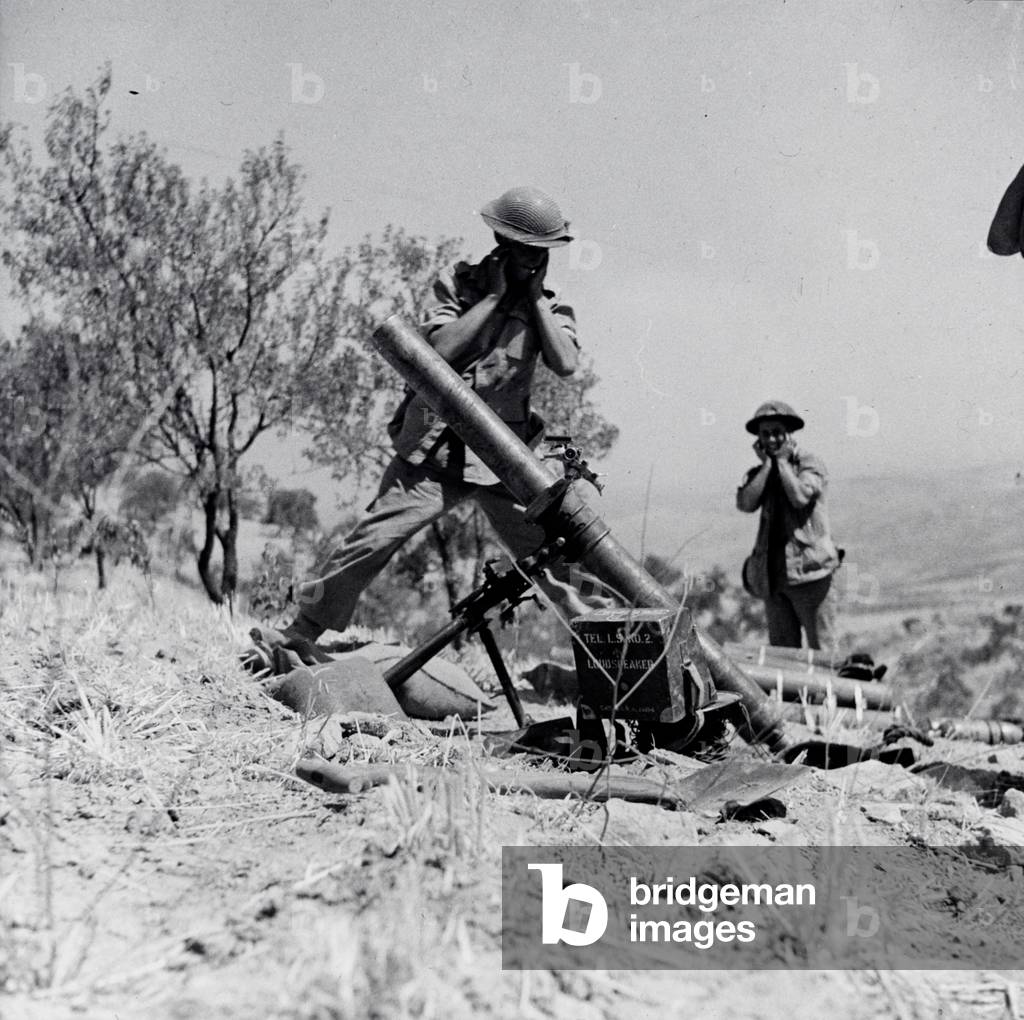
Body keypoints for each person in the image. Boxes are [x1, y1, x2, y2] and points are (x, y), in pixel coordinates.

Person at [275, 186, 602, 648]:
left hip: (507, 461)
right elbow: (438, 350)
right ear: (502, 244)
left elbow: (566, 362)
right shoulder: (458, 283)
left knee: (558, 556)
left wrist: (532, 300)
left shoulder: (549, 302)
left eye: (543, 252)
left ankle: (622, 649)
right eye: (528, 251)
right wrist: (494, 299)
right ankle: (299, 633)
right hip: (436, 449)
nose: (537, 261)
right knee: (375, 538)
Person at [735, 400, 842, 653]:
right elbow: (745, 503)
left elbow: (800, 497)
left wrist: (782, 463)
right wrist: (768, 466)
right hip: (774, 580)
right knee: (783, 657)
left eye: (777, 432)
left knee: (823, 652)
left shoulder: (809, 464)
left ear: (789, 434)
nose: (771, 439)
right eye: (765, 434)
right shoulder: (761, 472)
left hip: (811, 575)